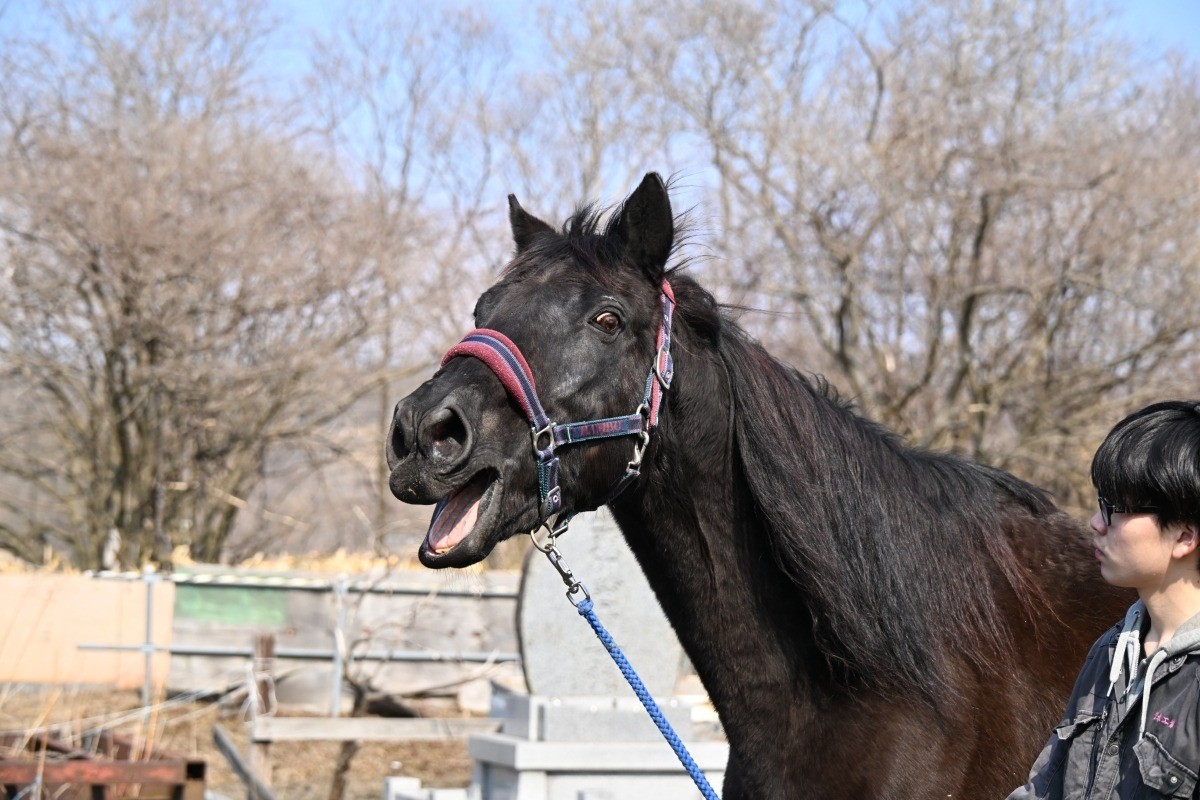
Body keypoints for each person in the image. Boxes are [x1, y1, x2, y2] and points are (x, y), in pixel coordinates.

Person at [1009, 400, 1200, 799]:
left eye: (1114, 509)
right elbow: (1045, 790)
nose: (1096, 523)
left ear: (1185, 535)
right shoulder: (1110, 652)